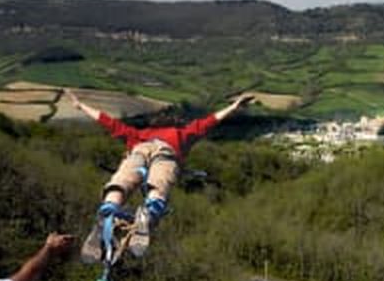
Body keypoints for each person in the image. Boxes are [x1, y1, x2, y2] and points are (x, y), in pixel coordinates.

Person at [65, 89, 253, 257]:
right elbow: (209, 121)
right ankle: (149, 212)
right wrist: (234, 107)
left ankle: (107, 210)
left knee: (122, 181)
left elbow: (107, 121)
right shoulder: (182, 133)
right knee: (158, 184)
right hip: (166, 153)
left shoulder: (137, 133)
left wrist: (80, 106)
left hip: (139, 149)